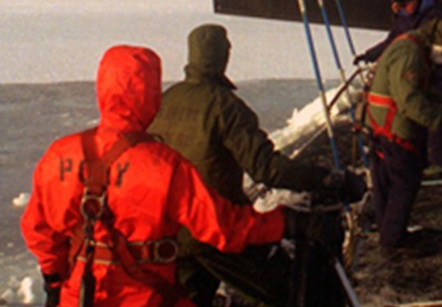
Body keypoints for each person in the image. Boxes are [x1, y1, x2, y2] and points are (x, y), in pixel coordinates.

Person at [21, 44, 288, 307]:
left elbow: (39, 230)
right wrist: (286, 223)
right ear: (148, 94)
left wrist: (54, 283)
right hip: (146, 298)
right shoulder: (164, 166)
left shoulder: (59, 155)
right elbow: (223, 228)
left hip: (78, 298)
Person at [148, 24, 366, 307]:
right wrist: (327, 179)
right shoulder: (225, 106)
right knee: (287, 291)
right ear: (222, 56)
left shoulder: (164, 102)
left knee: (188, 297)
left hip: (172, 230)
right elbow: (267, 170)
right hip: (218, 227)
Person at [364, 17, 442, 251]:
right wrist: (439, 117)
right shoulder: (410, 54)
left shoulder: (412, 48)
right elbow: (408, 99)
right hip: (393, 129)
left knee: (385, 182)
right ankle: (394, 239)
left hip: (381, 126)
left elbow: (414, 90)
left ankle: (389, 232)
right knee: (404, 181)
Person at [354, 0, 442, 65]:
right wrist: (369, 55)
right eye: (399, 7)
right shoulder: (404, 18)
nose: (403, 9)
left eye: (404, 5)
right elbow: (392, 41)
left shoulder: (433, 13)